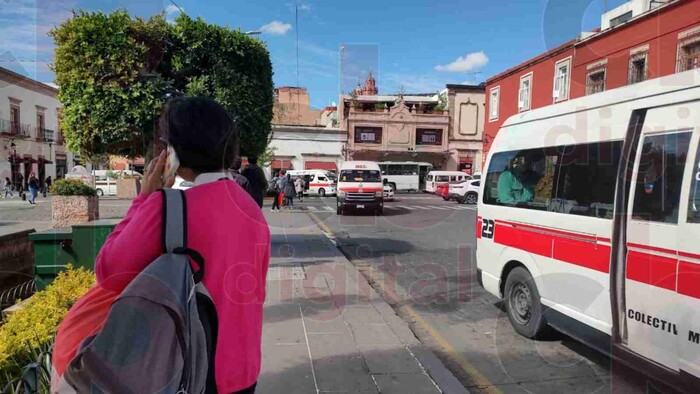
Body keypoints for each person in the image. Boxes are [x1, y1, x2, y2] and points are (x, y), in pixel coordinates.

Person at [94, 97, 269, 394]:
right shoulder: (250, 208)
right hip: (242, 370)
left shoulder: (167, 207)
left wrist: (144, 199)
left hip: (187, 371)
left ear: (174, 151)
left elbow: (108, 272)